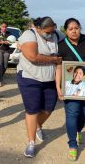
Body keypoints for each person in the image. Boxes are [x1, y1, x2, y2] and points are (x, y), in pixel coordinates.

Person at [56, 18, 85, 161]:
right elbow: (58, 67)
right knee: (72, 113)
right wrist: (58, 86)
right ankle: (72, 145)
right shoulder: (61, 45)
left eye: (76, 28)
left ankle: (78, 130)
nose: (74, 31)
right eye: (70, 29)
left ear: (80, 28)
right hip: (69, 87)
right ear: (66, 31)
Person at [16, 16, 62, 158]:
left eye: (51, 31)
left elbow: (68, 47)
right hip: (30, 77)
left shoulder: (57, 35)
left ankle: (38, 126)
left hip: (50, 79)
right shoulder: (29, 34)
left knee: (49, 108)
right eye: (47, 32)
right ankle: (31, 143)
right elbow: (33, 57)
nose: (49, 34)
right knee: (32, 110)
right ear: (38, 28)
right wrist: (54, 59)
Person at [0, 21, 12, 86]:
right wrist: (1, 42)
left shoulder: (9, 33)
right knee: (0, 65)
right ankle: (0, 80)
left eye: (5, 27)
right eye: (3, 27)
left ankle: (0, 76)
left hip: (6, 51)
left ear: (6, 27)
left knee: (5, 66)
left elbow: (11, 41)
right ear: (0, 26)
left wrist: (8, 42)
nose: (4, 28)